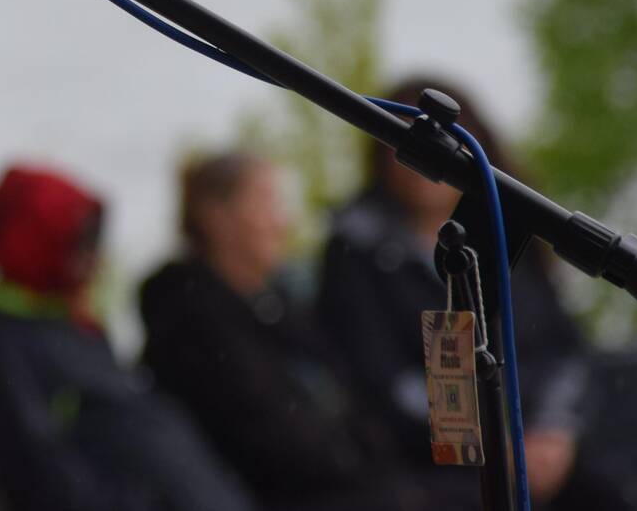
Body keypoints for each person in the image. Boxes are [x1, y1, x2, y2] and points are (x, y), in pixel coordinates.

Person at [317, 76, 637, 511]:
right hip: (423, 469)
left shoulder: (509, 232)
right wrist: (496, 441)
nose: (426, 153)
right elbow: (374, 380)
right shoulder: (355, 252)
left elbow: (563, 351)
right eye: (411, 136)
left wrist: (551, 433)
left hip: (542, 451)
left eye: (443, 135)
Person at [140, 151, 459, 511]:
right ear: (215, 216)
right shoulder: (193, 322)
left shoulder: (275, 308)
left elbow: (342, 400)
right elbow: (271, 441)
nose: (282, 221)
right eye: (266, 202)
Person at [0, 163, 256, 511]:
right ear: (34, 245)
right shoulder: (1, 344)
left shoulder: (72, 323)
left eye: (94, 244)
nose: (95, 262)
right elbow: (40, 473)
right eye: (78, 246)